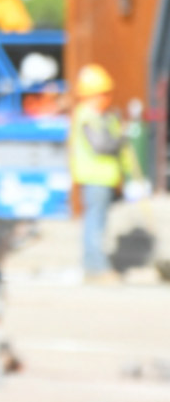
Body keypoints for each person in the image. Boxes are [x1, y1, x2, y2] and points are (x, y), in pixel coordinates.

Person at [69, 63, 141, 281]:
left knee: (98, 223)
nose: (106, 98)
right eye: (102, 94)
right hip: (94, 178)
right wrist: (121, 138)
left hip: (105, 178)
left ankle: (93, 265)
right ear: (90, 95)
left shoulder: (103, 117)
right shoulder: (86, 117)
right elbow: (101, 146)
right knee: (95, 224)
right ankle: (97, 268)